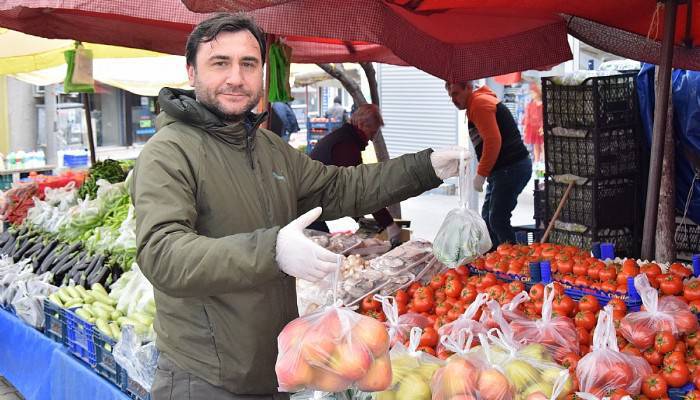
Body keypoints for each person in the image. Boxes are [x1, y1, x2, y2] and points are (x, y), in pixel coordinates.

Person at [131, 13, 468, 400]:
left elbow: (339, 187)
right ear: (191, 72)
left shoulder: (270, 148)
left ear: (261, 73)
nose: (236, 78)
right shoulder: (169, 152)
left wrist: (426, 167)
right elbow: (162, 254)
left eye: (248, 64)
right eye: (219, 63)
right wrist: (270, 250)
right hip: (207, 378)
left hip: (277, 367)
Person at [445, 81, 532, 248]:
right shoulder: (476, 104)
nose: (453, 99)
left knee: (497, 219)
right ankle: (493, 259)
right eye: (450, 96)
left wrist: (481, 173)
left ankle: (512, 260)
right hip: (505, 169)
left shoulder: (478, 103)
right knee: (488, 218)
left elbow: (493, 141)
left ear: (468, 87)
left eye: (455, 94)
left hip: (510, 167)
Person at [308, 104, 401, 243]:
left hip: (312, 204)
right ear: (362, 124)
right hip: (307, 207)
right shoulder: (346, 146)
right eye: (372, 133)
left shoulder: (344, 138)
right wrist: (389, 223)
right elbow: (361, 189)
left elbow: (348, 189)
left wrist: (360, 217)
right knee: (323, 248)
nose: (371, 139)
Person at [523, 83, 544, 164]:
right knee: (536, 145)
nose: (532, 94)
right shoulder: (530, 105)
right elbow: (527, 117)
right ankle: (537, 161)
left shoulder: (542, 105)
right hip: (532, 127)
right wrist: (526, 126)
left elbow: (543, 117)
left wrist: (543, 126)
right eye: (531, 93)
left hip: (540, 128)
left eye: (533, 92)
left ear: (538, 93)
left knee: (542, 144)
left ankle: (543, 161)